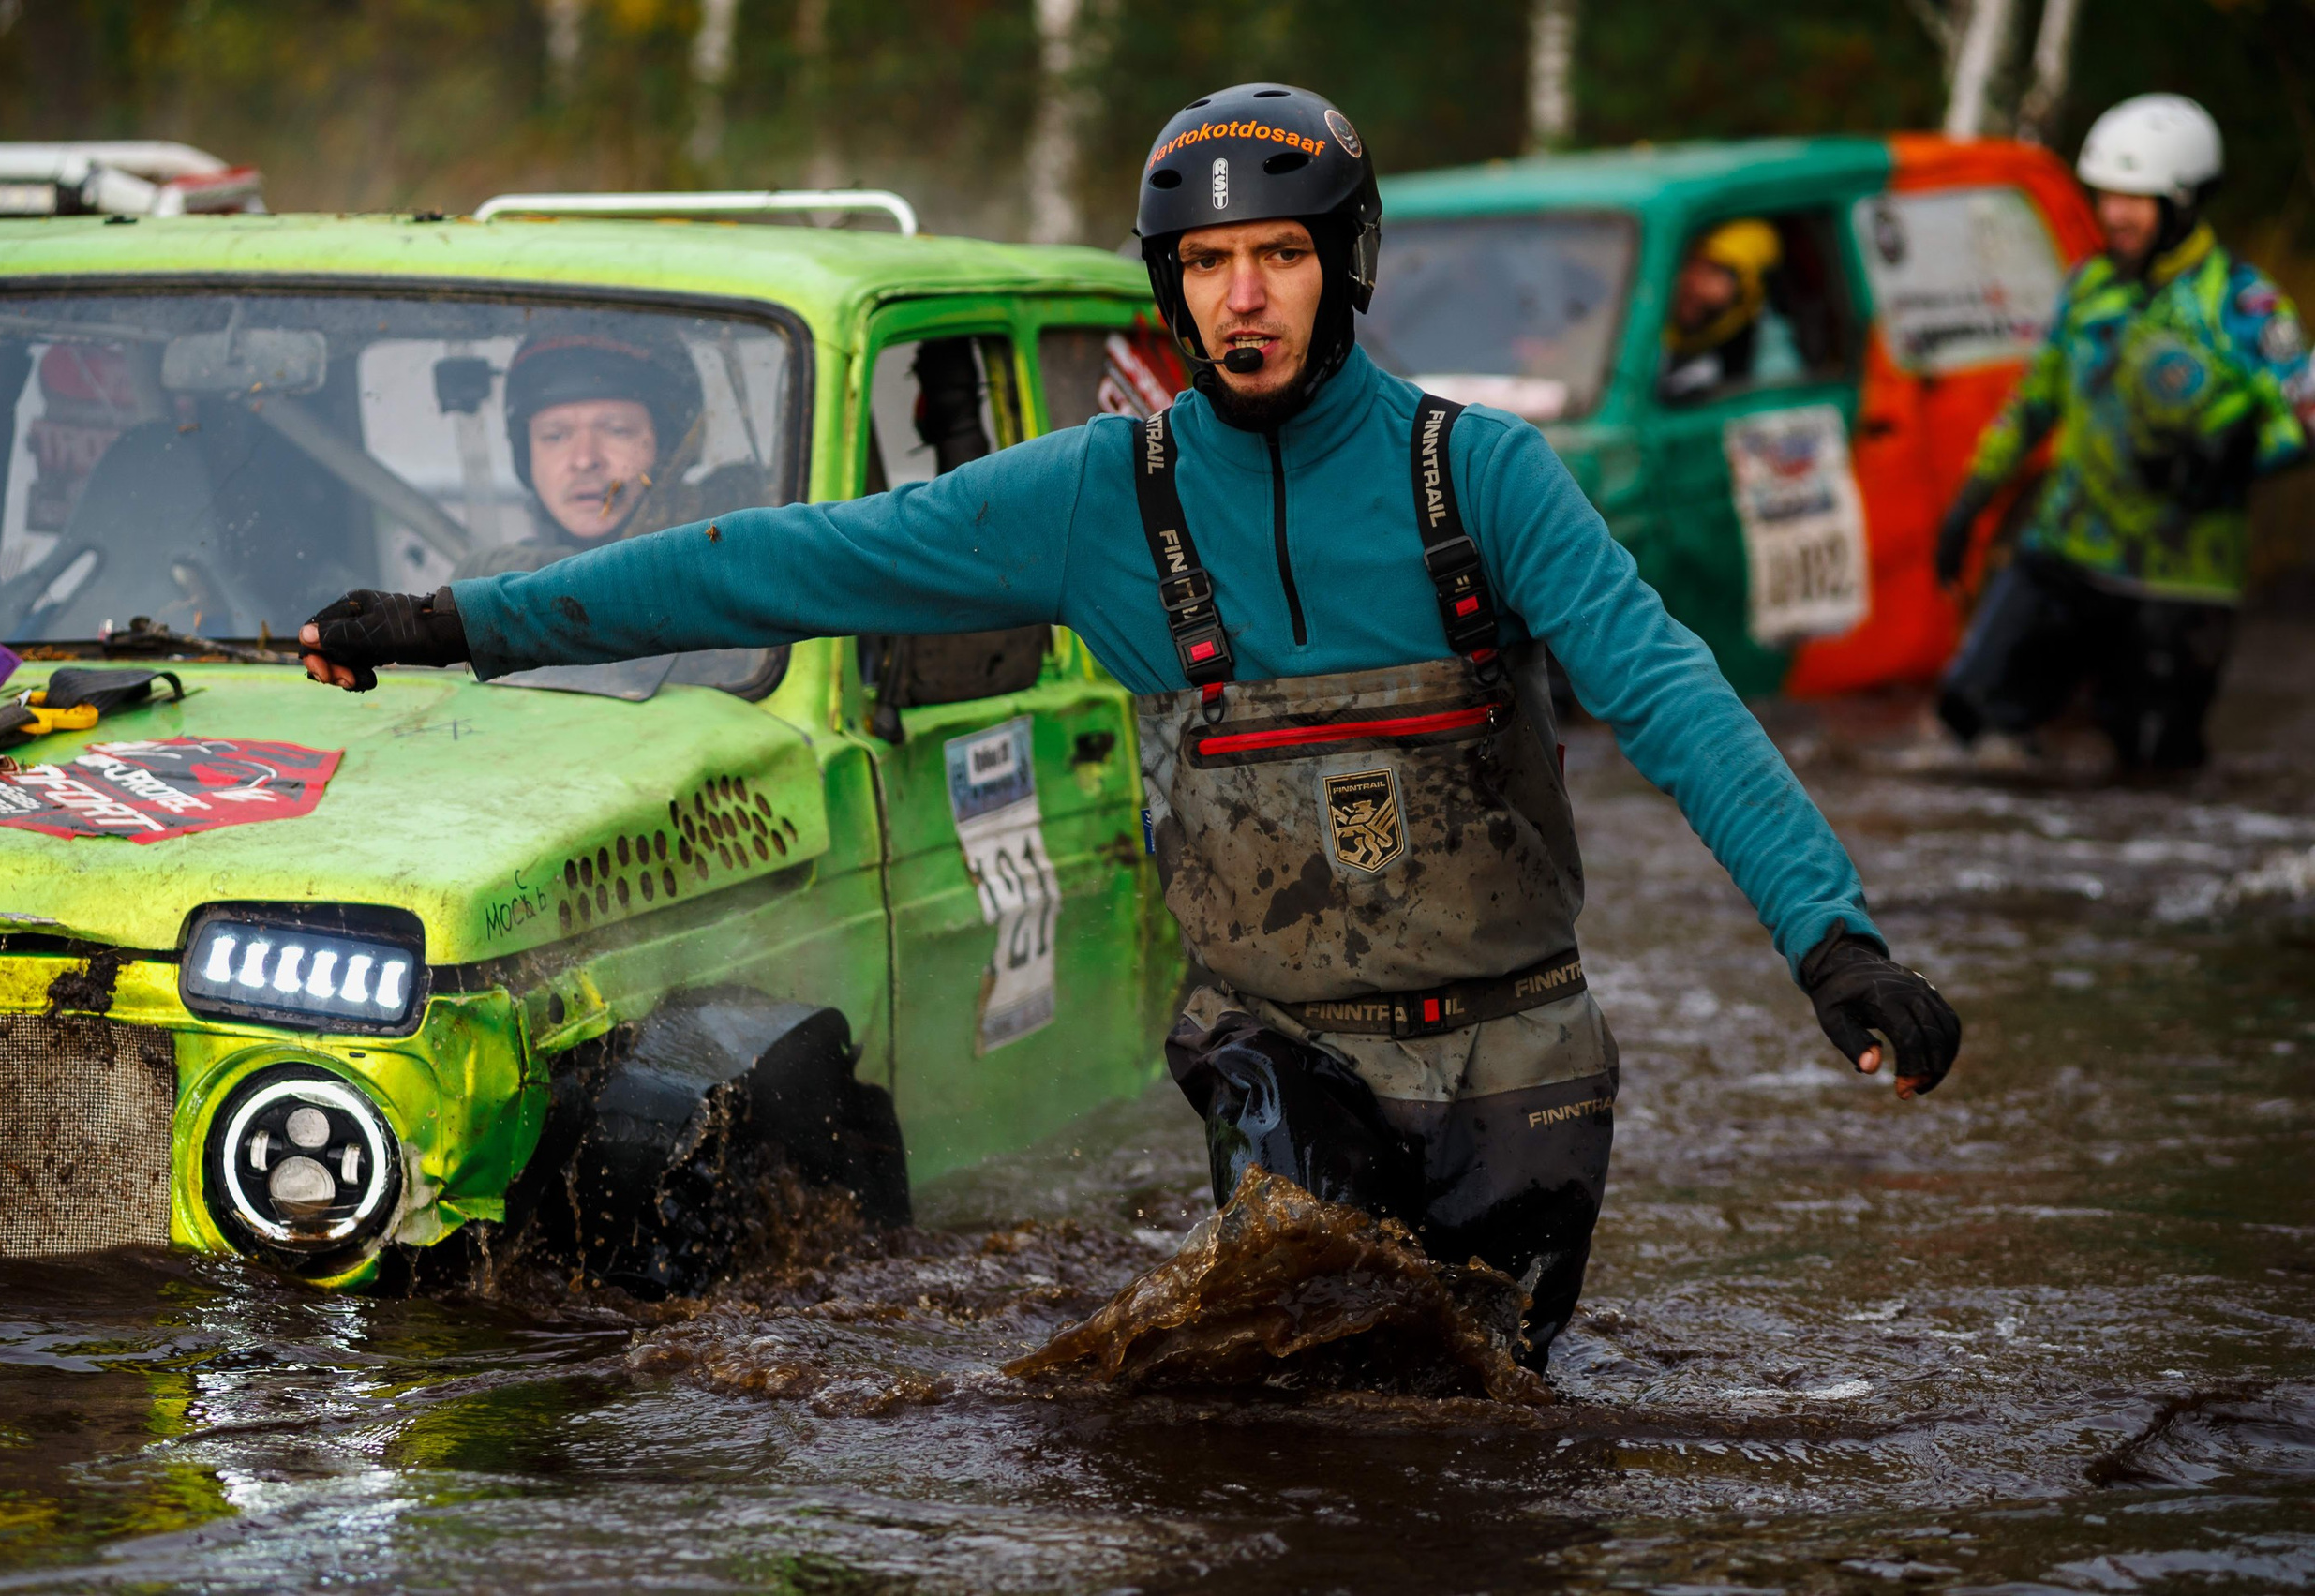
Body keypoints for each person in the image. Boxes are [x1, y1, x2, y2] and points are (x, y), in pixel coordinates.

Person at [300, 84, 1960, 1366]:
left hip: (1519, 1049)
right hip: (1279, 1047)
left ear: (1348, 265)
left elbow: (1672, 693)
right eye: (1208, 266)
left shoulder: (1486, 478)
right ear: (1171, 288)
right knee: (1293, 1392)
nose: (1244, 298)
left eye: (1281, 256)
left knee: (1489, 1423)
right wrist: (461, 624)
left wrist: (1832, 942)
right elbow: (772, 561)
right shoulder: (1102, 497)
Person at [1934, 94, 2315, 775]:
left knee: (2149, 771)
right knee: (1968, 725)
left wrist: (2235, 462)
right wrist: (1971, 500)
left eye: (2133, 199)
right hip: (2064, 554)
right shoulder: (2088, 287)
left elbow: (2307, 413)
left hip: (2179, 581)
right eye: (2106, 196)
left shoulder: (2243, 304)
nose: (2112, 214)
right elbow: (2033, 403)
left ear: (2184, 202)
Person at [454, 327, 709, 578]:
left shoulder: (718, 563)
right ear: (525, 457)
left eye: (617, 430)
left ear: (668, 451)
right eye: (555, 436)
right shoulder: (489, 586)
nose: (584, 460)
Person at [1661, 218, 1805, 399]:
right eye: (1699, 264)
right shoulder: (1647, 327)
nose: (1697, 283)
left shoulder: (1770, 359)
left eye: (1716, 271)